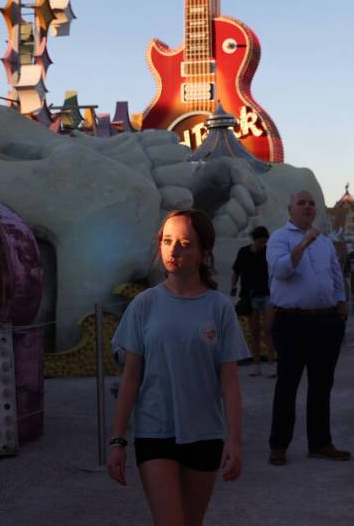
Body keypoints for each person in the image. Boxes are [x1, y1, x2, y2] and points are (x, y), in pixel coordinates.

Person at [108, 209, 248, 526]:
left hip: (205, 435)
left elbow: (229, 383)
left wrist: (235, 442)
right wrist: (117, 440)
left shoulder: (220, 307)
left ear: (204, 254)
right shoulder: (143, 305)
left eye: (185, 243)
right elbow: (130, 377)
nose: (174, 251)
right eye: (167, 241)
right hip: (154, 432)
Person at [266, 190, 349, 466]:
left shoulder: (325, 243)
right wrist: (303, 244)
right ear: (289, 209)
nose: (307, 207)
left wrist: (340, 304)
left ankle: (320, 442)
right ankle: (279, 445)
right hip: (292, 322)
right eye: (301, 202)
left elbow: (336, 277)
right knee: (288, 384)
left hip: (325, 322)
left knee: (322, 385)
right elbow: (281, 271)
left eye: (311, 203)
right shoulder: (279, 238)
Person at [230, 226, 275, 377]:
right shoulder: (243, 252)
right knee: (254, 332)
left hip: (267, 295)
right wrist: (233, 287)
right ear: (254, 240)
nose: (263, 244)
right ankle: (256, 365)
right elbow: (236, 271)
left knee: (269, 330)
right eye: (261, 242)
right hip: (250, 297)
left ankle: (271, 363)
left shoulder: (268, 252)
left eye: (265, 242)